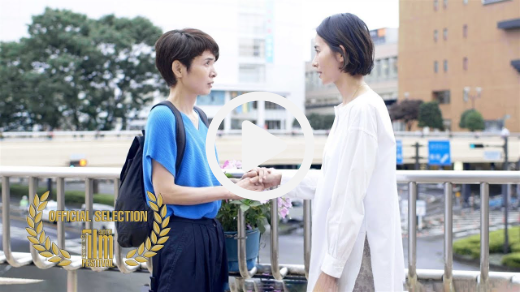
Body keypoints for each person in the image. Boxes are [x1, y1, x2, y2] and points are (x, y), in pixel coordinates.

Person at [243, 13, 405, 292]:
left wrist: (329, 273)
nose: (315, 61)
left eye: (319, 50)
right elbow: (334, 182)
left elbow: (350, 197)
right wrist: (281, 179)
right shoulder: (352, 109)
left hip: (358, 261)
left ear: (340, 54)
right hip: (350, 256)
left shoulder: (362, 111)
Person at [144, 28, 262, 292]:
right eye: (206, 63)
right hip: (179, 236)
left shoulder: (200, 117)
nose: (214, 72)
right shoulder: (163, 117)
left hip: (209, 233)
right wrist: (232, 191)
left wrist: (243, 181)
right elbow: (164, 192)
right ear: (178, 68)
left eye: (214, 63)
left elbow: (203, 178)